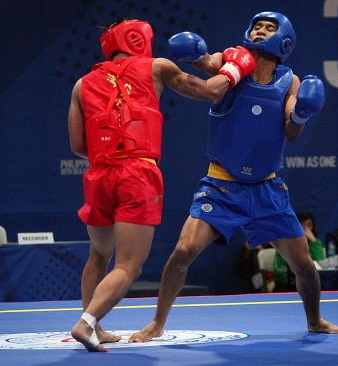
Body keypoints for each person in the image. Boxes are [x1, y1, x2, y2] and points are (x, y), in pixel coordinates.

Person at [129, 11, 338, 343]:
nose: (260, 31)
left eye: (268, 28)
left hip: (267, 189)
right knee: (183, 251)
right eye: (257, 26)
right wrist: (199, 56)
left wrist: (302, 113)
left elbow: (291, 131)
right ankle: (158, 322)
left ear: (284, 40)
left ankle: (315, 320)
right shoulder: (232, 60)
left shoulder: (289, 81)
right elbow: (207, 65)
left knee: (304, 265)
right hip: (221, 185)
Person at [68, 17, 256, 352]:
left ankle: (94, 323)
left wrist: (109, 152)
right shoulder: (156, 66)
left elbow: (78, 146)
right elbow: (211, 91)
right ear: (140, 40)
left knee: (99, 254)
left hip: (98, 174)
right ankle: (87, 323)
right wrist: (238, 68)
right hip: (136, 173)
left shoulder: (82, 84)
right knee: (129, 265)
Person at [273, 211, 325, 292]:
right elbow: (279, 272)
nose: (305, 229)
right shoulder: (285, 243)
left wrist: (314, 242)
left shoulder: (316, 244)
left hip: (310, 283)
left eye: (309, 225)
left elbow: (319, 264)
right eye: (301, 225)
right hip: (288, 285)